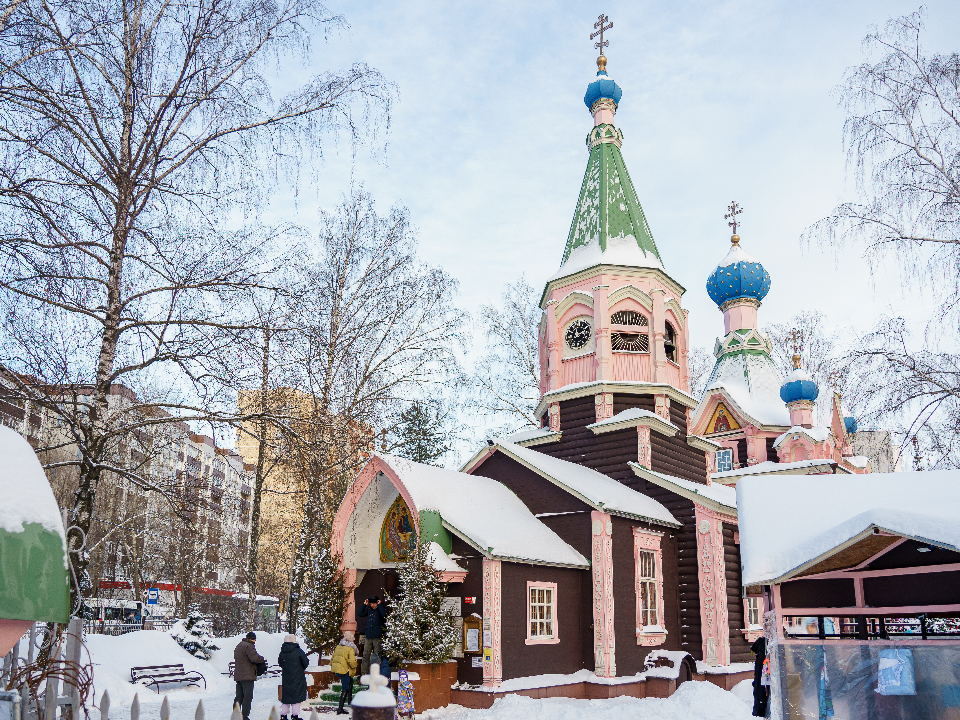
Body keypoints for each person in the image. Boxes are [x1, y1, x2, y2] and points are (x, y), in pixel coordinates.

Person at [234, 632, 265, 720]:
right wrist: (262, 659)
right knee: (247, 696)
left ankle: (236, 714)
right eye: (254, 639)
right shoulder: (249, 646)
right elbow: (254, 658)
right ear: (252, 639)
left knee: (239, 696)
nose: (255, 641)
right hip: (247, 675)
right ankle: (244, 716)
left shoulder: (239, 645)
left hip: (239, 675)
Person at [277, 634, 309, 720]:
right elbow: (305, 662)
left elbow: (280, 663)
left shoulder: (282, 652)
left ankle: (283, 715)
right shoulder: (299, 651)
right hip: (297, 677)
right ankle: (295, 716)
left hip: (286, 676)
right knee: (297, 696)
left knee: (286, 695)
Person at [330, 631, 358, 716]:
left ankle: (350, 701)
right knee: (345, 687)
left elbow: (332, 659)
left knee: (351, 681)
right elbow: (352, 662)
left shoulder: (338, 646)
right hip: (344, 670)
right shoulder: (351, 649)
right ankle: (340, 708)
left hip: (337, 669)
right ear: (351, 640)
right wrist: (356, 665)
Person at [358, 596, 387, 675]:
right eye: (371, 603)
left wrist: (380, 605)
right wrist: (364, 604)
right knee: (365, 655)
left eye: (373, 603)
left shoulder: (381, 609)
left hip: (377, 636)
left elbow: (384, 615)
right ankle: (363, 673)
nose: (372, 605)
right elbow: (359, 613)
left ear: (377, 603)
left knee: (377, 656)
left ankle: (376, 673)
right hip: (368, 636)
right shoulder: (369, 610)